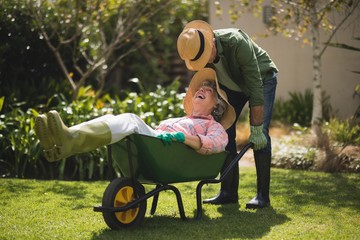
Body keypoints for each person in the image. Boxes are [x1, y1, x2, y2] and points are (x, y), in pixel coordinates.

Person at [177, 20, 278, 209]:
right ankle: (228, 192)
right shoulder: (196, 48)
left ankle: (262, 196)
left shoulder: (236, 42)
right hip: (232, 87)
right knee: (222, 130)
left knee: (260, 132)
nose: (205, 61)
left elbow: (255, 85)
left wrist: (256, 128)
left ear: (212, 42)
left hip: (262, 79)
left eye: (206, 56)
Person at [34, 68, 236, 162]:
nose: (203, 88)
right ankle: (65, 141)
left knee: (130, 119)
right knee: (111, 118)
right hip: (156, 146)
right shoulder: (181, 119)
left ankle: (69, 139)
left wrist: (183, 137)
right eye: (202, 87)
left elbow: (217, 144)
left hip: (166, 152)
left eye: (210, 90)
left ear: (216, 106)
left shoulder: (214, 127)